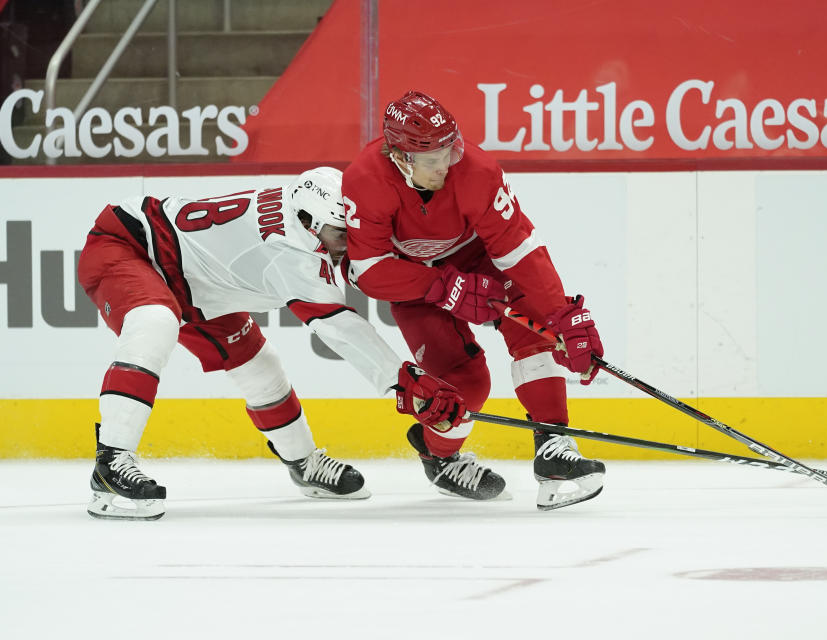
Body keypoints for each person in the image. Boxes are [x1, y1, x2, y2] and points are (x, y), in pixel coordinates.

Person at [77, 167, 467, 520]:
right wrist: (407, 381)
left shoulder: (307, 208)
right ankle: (110, 463)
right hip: (129, 245)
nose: (351, 244)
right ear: (309, 223)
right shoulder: (290, 254)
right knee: (154, 320)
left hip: (197, 279)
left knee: (261, 367)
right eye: (341, 234)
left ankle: (303, 463)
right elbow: (342, 330)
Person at [341, 90, 606, 510]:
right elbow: (370, 272)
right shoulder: (365, 180)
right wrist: (444, 287)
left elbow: (518, 248)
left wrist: (564, 314)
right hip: (415, 284)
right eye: (431, 160)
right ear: (399, 156)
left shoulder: (478, 171)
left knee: (534, 330)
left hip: (481, 262)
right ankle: (439, 457)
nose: (445, 166)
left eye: (449, 152)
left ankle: (553, 447)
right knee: (465, 386)